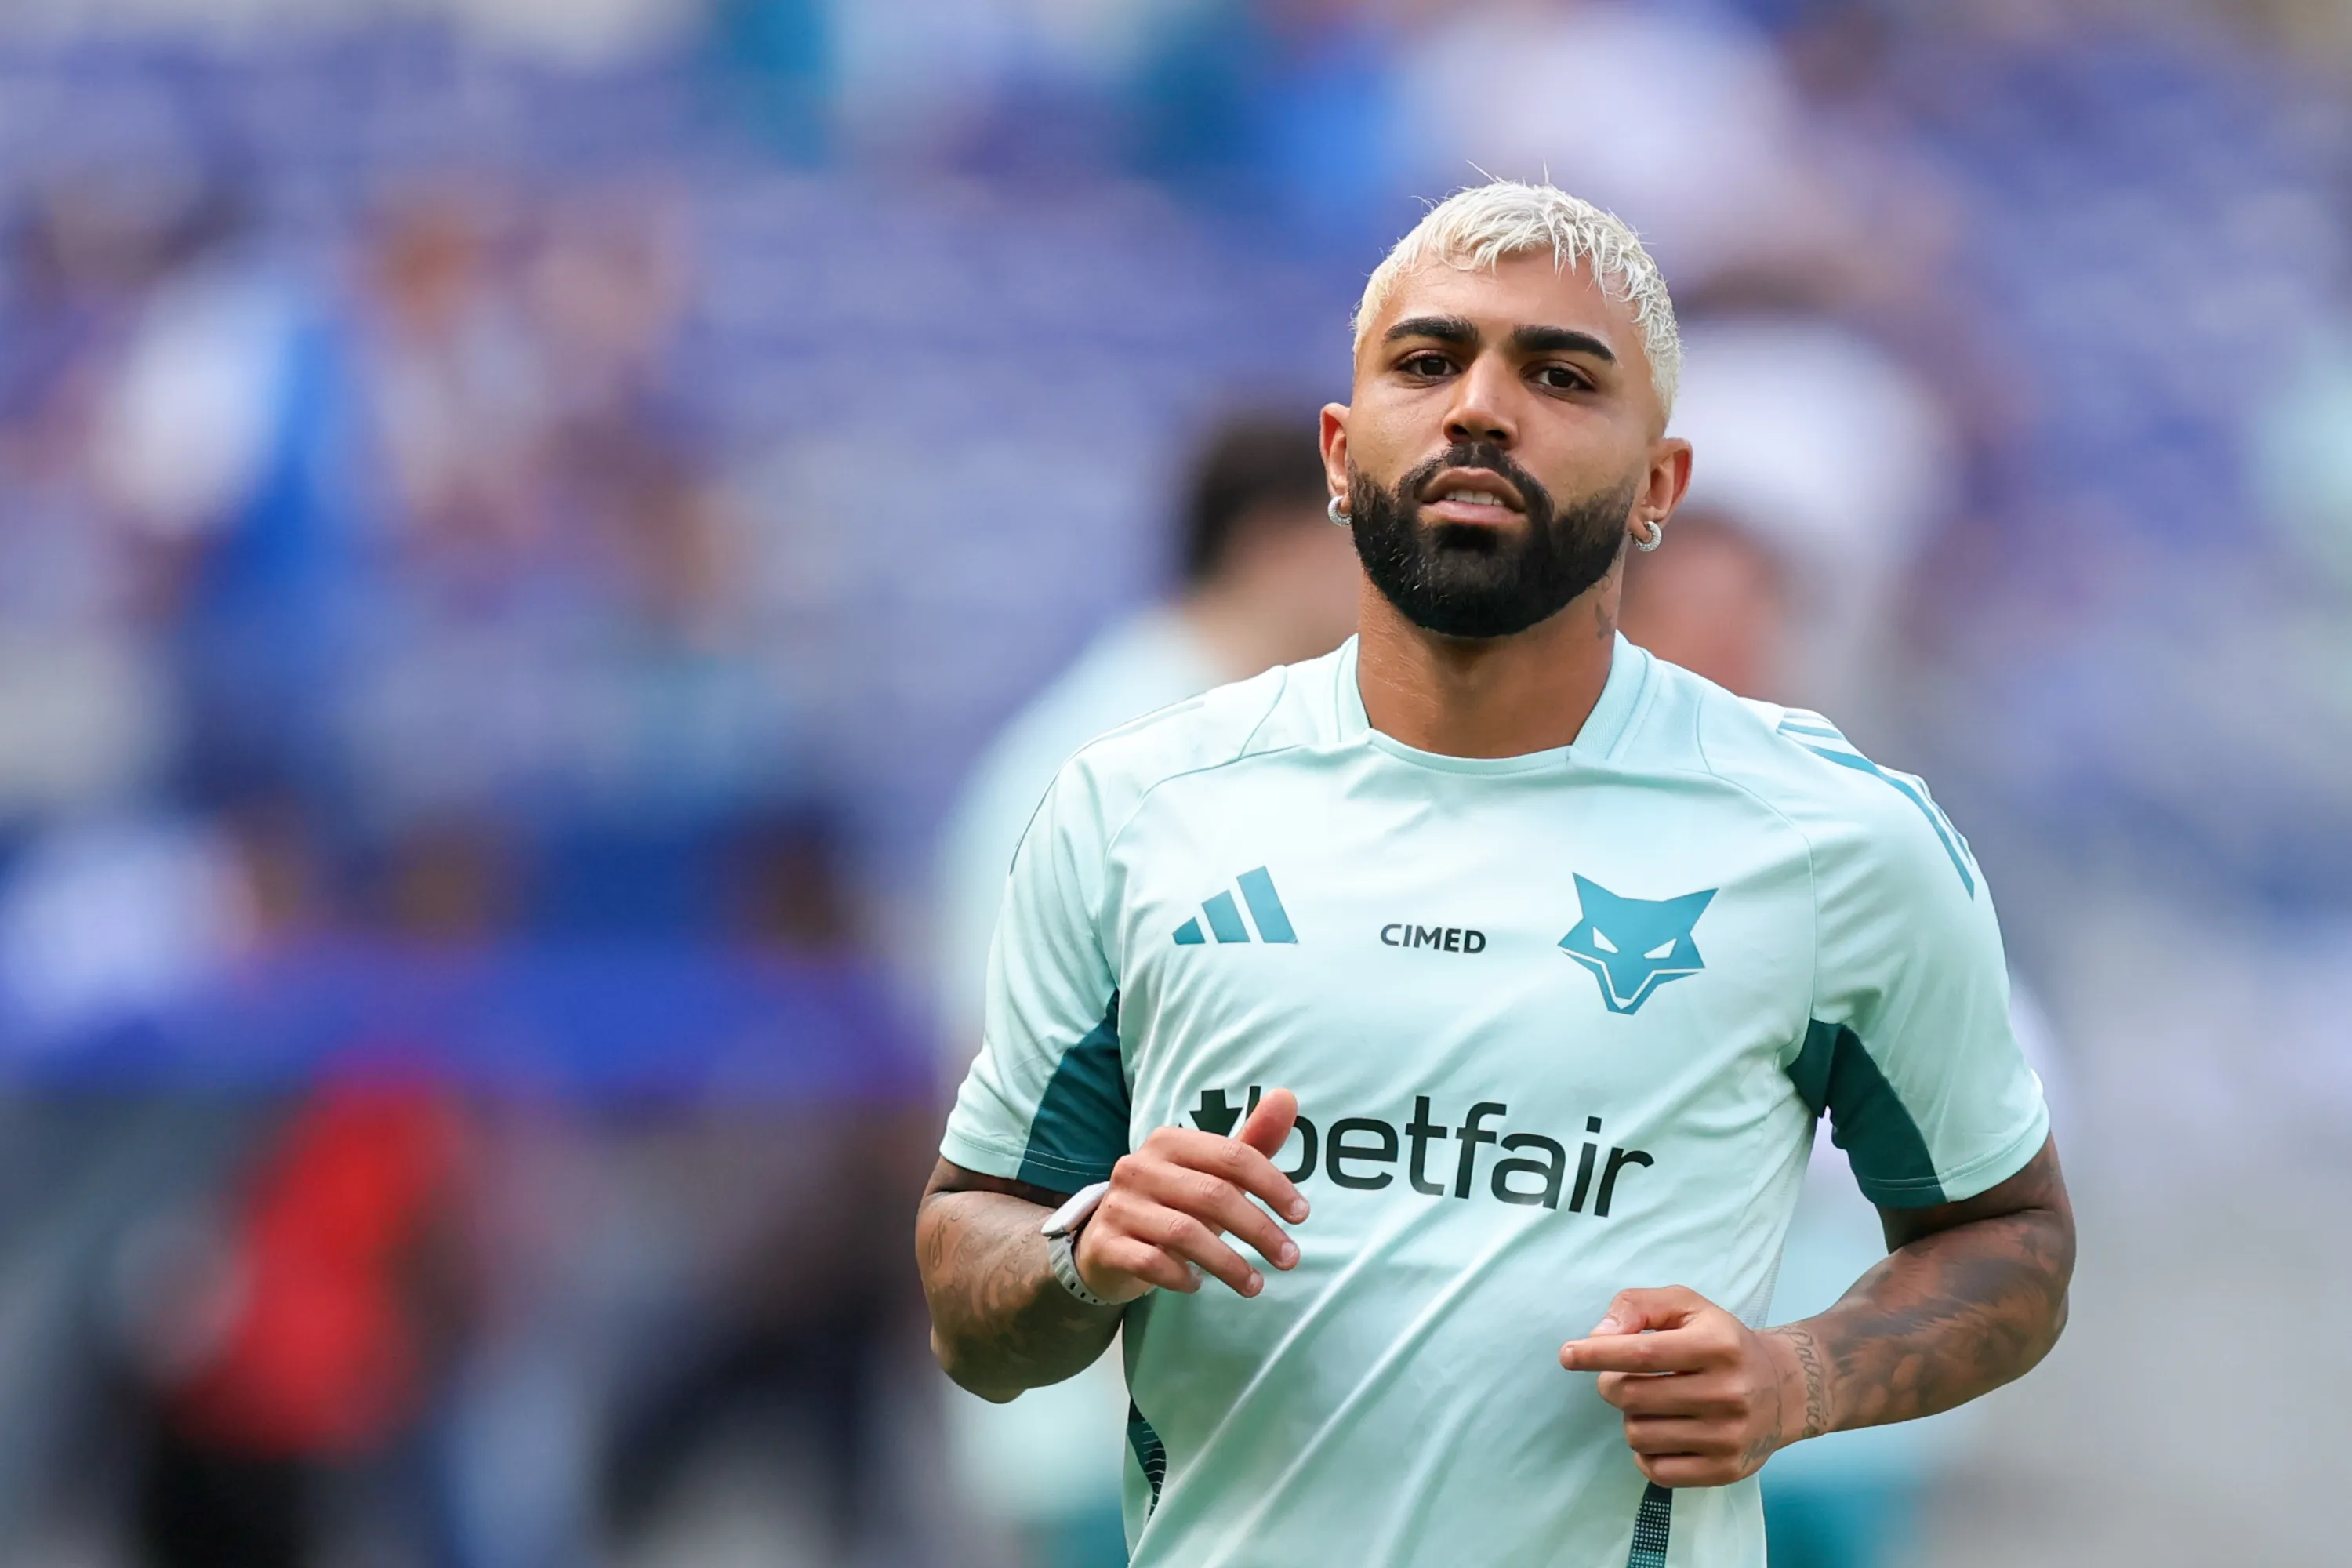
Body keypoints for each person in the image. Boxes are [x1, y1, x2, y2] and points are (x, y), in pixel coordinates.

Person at [915, 181, 2073, 1566]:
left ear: (1660, 486)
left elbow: (2010, 1239)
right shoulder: (1134, 807)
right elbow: (970, 1283)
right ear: (1340, 457)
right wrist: (1078, 1252)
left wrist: (1799, 1379)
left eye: (1560, 374)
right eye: (1427, 361)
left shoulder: (1836, 839)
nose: (1478, 405)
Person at [932, 416, 1357, 1565]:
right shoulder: (1135, 760)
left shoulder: (1223, 740)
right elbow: (1000, 1114)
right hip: (1119, 1424)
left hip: (1212, 1431)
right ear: (1280, 545)